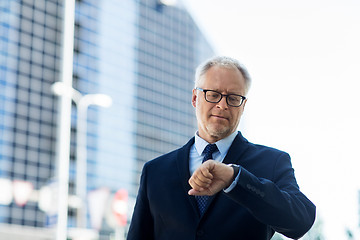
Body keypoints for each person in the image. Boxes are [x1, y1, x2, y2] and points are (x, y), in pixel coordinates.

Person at [127, 56, 316, 240]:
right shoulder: (155, 171)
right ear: (195, 98)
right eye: (213, 95)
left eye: (233, 98)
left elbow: (301, 221)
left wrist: (235, 178)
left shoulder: (272, 162)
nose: (222, 105)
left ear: (243, 107)